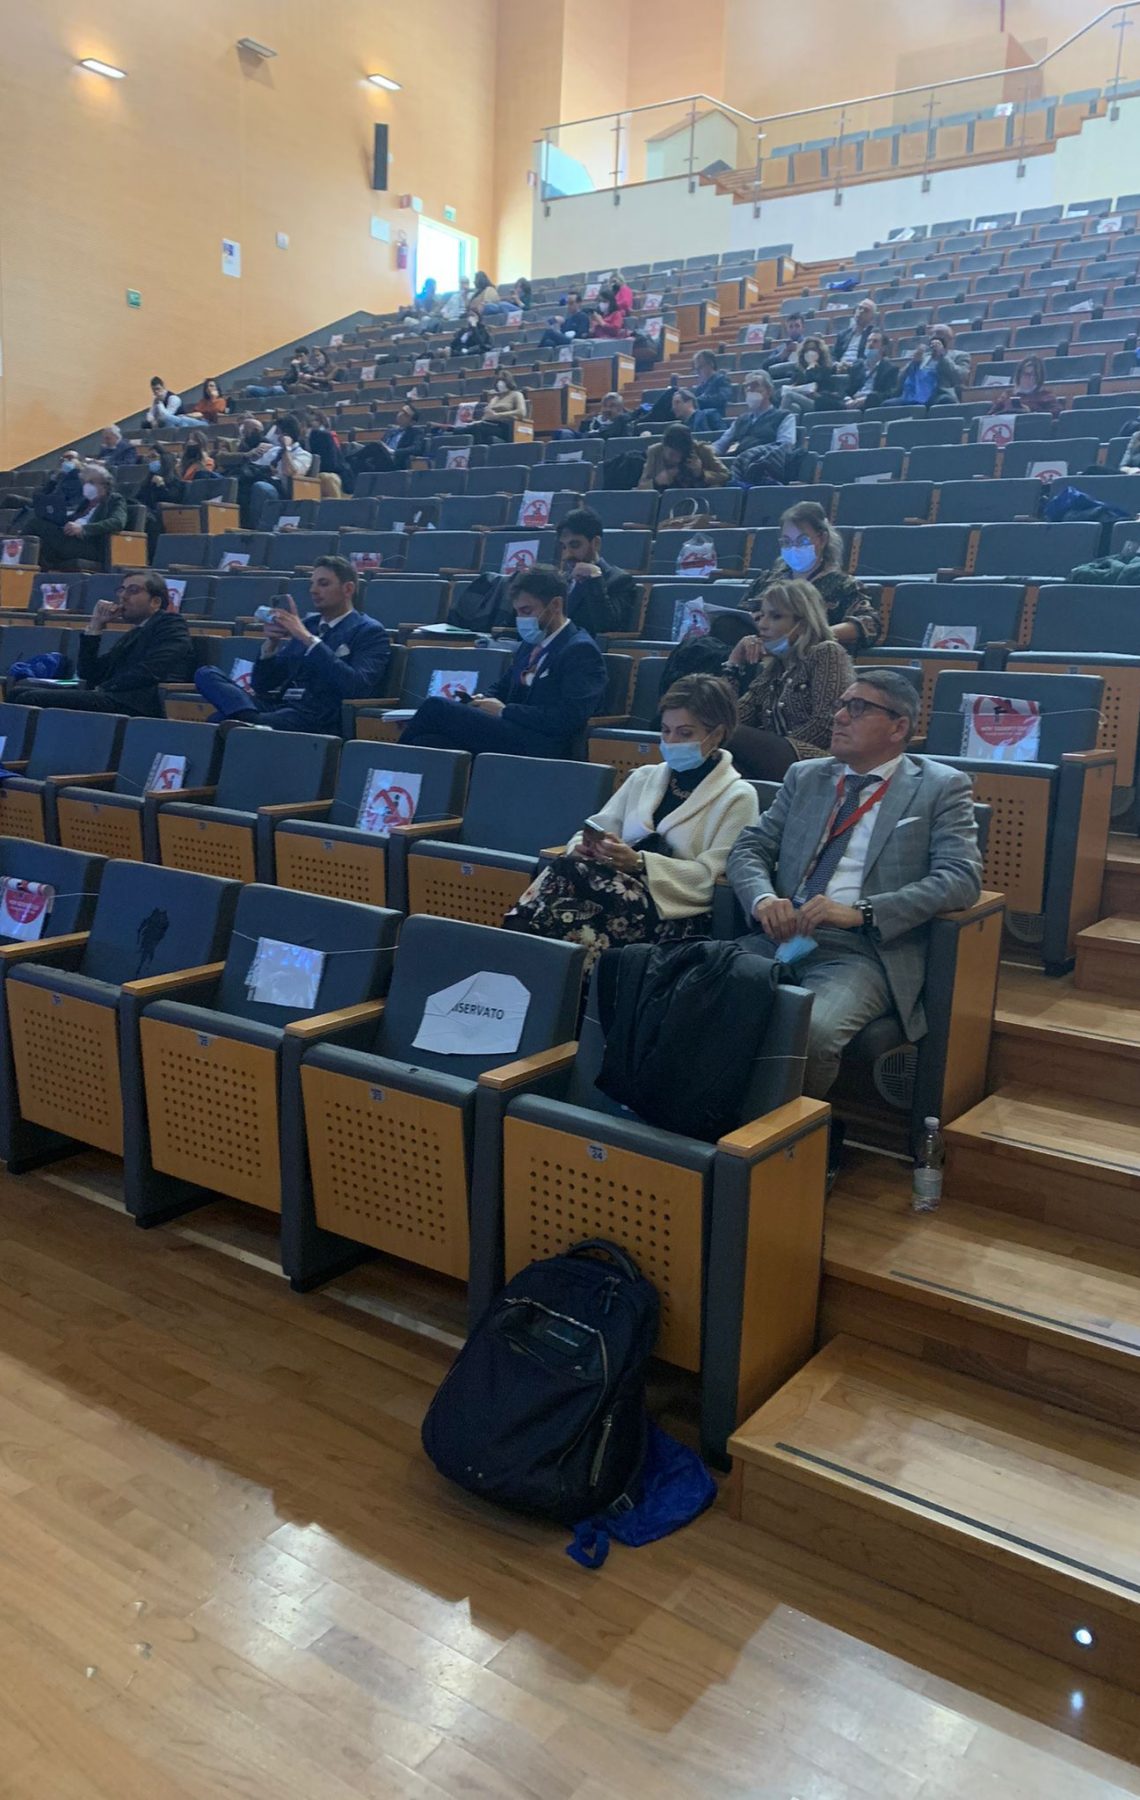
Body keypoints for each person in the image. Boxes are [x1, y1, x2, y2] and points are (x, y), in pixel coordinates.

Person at [727, 668, 982, 1102]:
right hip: (780, 933)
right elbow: (749, 847)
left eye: (858, 708)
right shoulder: (805, 776)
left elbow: (961, 878)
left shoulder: (940, 787)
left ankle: (784, 1138)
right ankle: (707, 1125)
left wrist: (862, 912)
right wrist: (763, 898)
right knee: (698, 993)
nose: (839, 716)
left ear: (899, 727)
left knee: (810, 1030)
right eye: (841, 705)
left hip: (864, 950)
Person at [504, 675, 757, 972]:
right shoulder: (644, 777)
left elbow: (710, 879)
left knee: (566, 884)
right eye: (665, 731)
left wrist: (640, 863)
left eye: (685, 733)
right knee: (568, 868)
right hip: (611, 890)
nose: (671, 741)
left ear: (716, 735)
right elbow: (596, 827)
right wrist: (585, 847)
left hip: (674, 912)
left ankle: (519, 965)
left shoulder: (738, 796)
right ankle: (529, 962)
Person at [401, 564, 606, 759]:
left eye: (527, 611)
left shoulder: (580, 650)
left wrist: (504, 710)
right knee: (428, 741)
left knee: (436, 707)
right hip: (514, 731)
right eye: (518, 612)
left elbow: (568, 717)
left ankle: (389, 766)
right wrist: (481, 700)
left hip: (544, 743)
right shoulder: (530, 644)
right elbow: (504, 686)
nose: (521, 619)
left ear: (555, 605)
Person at [194, 556, 390, 734]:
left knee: (219, 720)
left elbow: (356, 686)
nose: (313, 590)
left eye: (323, 584)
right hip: (281, 705)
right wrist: (271, 644)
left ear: (348, 589)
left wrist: (308, 639)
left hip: (318, 715)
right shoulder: (308, 625)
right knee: (206, 674)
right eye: (312, 584)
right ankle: (251, 720)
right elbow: (262, 685)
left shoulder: (369, 631)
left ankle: (251, 723)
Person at [723, 579, 854, 780]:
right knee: (716, 742)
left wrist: (775, 747)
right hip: (776, 759)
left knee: (728, 734)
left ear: (803, 622)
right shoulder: (775, 667)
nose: (762, 625)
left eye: (776, 616)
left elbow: (826, 724)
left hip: (818, 760)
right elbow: (730, 717)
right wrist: (734, 661)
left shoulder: (826, 652)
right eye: (762, 615)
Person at [9, 573, 194, 716]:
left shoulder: (171, 624)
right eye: (122, 590)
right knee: (16, 692)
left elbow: (152, 669)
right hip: (114, 696)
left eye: (133, 590)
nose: (123, 596)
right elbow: (89, 673)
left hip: (138, 702)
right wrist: (95, 626)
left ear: (155, 602)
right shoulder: (134, 633)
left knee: (30, 697)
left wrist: (105, 688)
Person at [747, 500, 881, 651]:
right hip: (757, 655)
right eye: (786, 542)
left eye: (803, 540)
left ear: (822, 539)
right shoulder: (766, 581)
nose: (794, 548)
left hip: (812, 657)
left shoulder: (843, 586)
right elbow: (740, 618)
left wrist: (811, 635)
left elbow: (869, 624)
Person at [557, 507, 639, 636]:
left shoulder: (619, 580)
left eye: (575, 545)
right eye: (563, 547)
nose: (567, 555)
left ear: (596, 543)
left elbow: (607, 627)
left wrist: (594, 579)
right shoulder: (561, 581)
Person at [33, 461, 128, 570]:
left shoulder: (114, 499)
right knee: (41, 533)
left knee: (36, 525)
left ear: (104, 485)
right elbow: (74, 518)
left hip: (91, 545)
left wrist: (84, 529)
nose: (86, 486)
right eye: (84, 483)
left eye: (91, 482)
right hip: (72, 540)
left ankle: (22, 560)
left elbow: (117, 522)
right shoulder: (85, 503)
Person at [244, 416, 313, 529]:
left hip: (283, 491)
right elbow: (254, 468)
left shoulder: (304, 455)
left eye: (277, 432)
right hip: (264, 482)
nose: (273, 435)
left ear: (285, 435)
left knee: (261, 487)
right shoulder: (273, 451)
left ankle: (258, 529)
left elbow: (290, 472)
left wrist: (286, 448)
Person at [712, 372, 796, 458]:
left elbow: (784, 446)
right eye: (746, 386)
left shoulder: (784, 417)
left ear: (769, 391)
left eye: (755, 385)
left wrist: (754, 452)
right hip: (736, 463)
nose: (749, 389)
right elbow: (721, 444)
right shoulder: (741, 420)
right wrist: (708, 451)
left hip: (764, 462)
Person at [639, 424, 729, 491]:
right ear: (664, 447)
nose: (677, 459)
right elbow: (641, 486)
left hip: (698, 496)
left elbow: (725, 475)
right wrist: (656, 482)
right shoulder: (655, 452)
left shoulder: (702, 450)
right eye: (672, 454)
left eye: (680, 454)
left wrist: (701, 473)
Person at [137, 447, 186, 557]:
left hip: (163, 518)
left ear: (164, 460)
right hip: (147, 514)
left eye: (154, 457)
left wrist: (161, 486)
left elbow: (173, 499)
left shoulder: (175, 482)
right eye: (149, 457)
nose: (151, 461)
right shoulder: (147, 481)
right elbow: (140, 498)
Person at [778, 336, 843, 414]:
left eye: (813, 350)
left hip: (818, 403)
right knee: (792, 406)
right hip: (801, 401)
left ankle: (778, 420)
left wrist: (816, 395)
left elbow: (831, 393)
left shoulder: (826, 369)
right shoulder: (798, 372)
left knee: (789, 395)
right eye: (807, 350)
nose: (810, 353)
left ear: (820, 352)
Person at [990, 355, 1060, 417]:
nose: (1030, 378)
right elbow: (991, 415)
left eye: (1034, 375)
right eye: (1026, 374)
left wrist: (1030, 411)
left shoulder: (1046, 396)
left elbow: (1057, 413)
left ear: (1039, 377)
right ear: (1019, 375)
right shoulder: (1007, 395)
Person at [843, 330, 898, 410]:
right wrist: (848, 400)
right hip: (853, 402)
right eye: (868, 341)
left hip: (871, 404)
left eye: (875, 341)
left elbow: (889, 394)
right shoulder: (857, 366)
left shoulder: (890, 369)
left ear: (883, 348)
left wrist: (867, 399)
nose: (870, 344)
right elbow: (847, 390)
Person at [471, 372, 528, 442]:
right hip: (490, 424)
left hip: (505, 427)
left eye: (503, 381)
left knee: (477, 428)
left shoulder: (516, 395)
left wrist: (498, 415)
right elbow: (488, 413)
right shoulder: (495, 398)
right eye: (498, 381)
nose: (500, 384)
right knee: (467, 429)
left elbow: (521, 412)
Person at [691, 351, 735, 426]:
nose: (698, 372)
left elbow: (722, 398)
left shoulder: (722, 379)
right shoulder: (700, 387)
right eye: (696, 369)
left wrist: (700, 400)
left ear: (711, 364)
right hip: (702, 419)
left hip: (716, 419)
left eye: (700, 367)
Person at [835, 299, 879, 369]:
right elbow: (834, 355)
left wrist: (851, 366)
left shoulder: (874, 336)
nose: (861, 311)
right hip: (840, 368)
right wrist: (836, 364)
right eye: (859, 308)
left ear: (872, 318)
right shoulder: (843, 334)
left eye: (866, 310)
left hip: (859, 370)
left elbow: (869, 359)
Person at [380, 402, 428, 466]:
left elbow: (416, 448)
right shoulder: (390, 431)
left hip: (395, 462)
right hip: (381, 459)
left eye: (405, 414)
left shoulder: (416, 432)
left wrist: (394, 452)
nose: (400, 414)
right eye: (401, 411)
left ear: (412, 422)